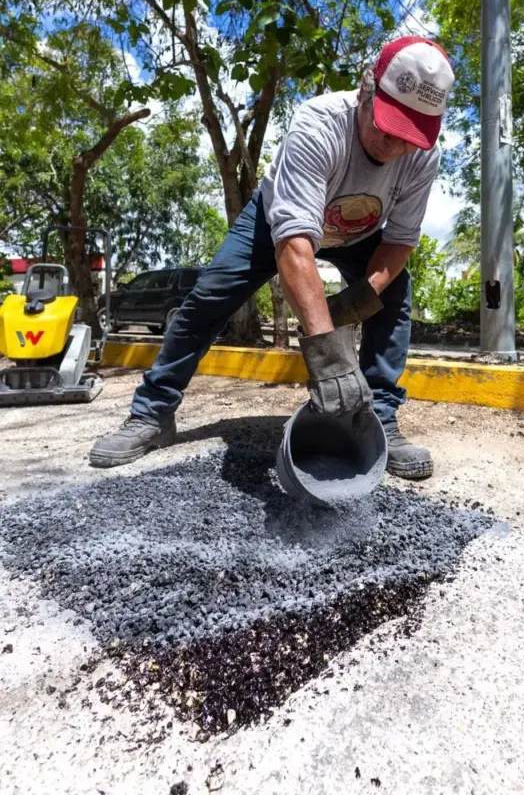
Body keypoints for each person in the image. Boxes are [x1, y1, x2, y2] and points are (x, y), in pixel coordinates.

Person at [89, 35, 455, 479]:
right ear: (366, 91)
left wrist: (358, 299)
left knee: (394, 294)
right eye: (388, 127)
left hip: (364, 234)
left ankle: (378, 418)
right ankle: (152, 413)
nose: (396, 146)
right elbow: (295, 244)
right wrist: (329, 358)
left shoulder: (423, 156)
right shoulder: (319, 126)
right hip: (276, 222)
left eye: (409, 137)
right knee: (207, 299)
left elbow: (399, 241)